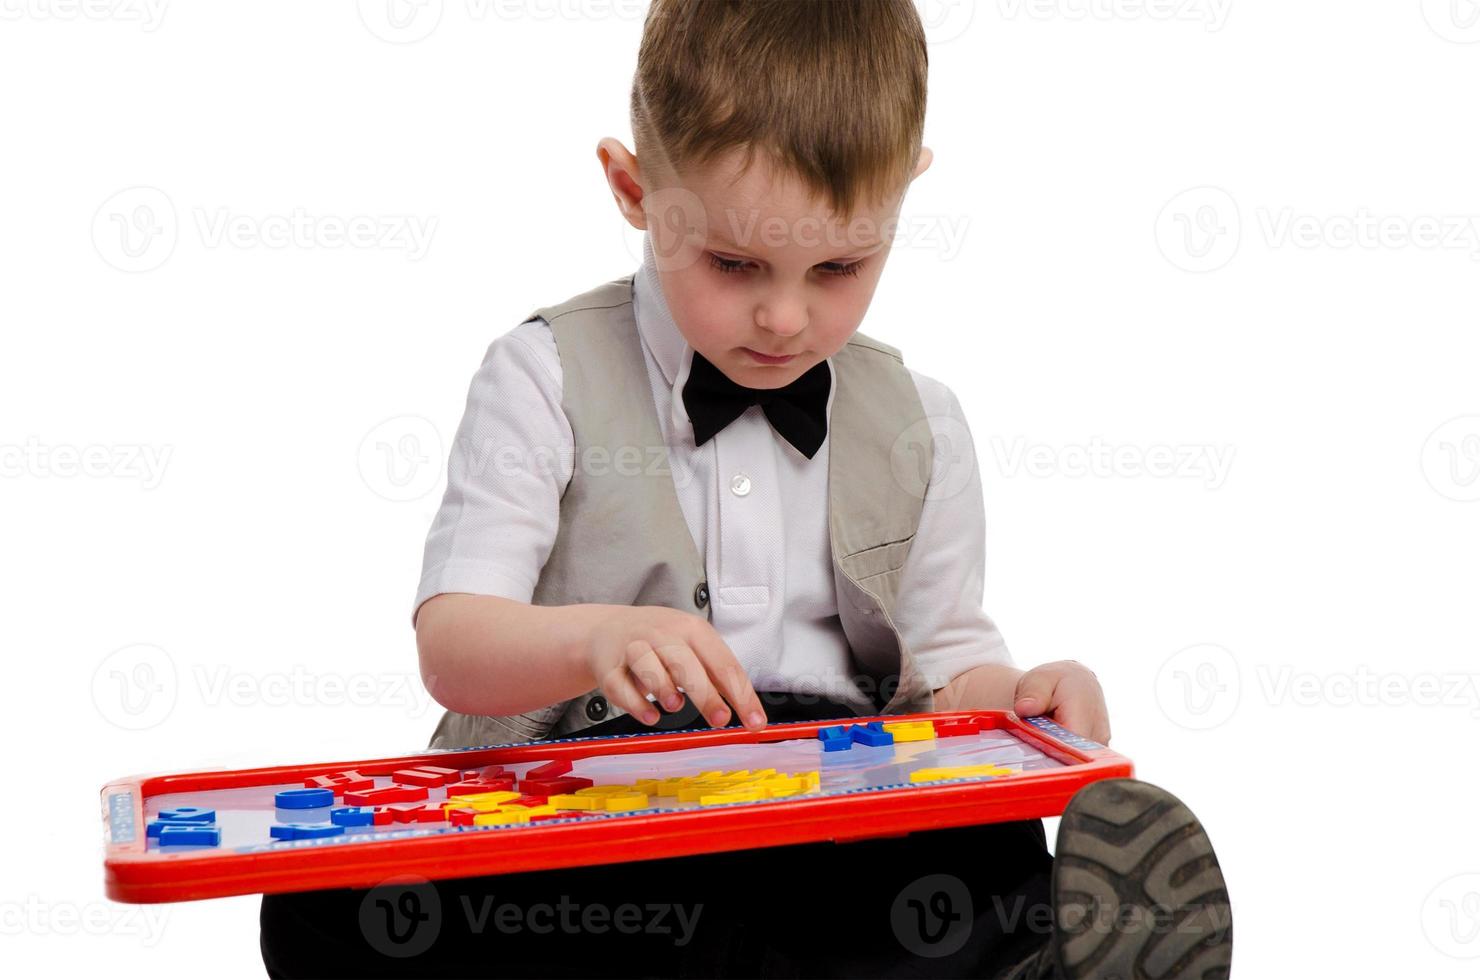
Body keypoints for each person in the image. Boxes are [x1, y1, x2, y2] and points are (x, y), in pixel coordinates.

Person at [260, 2, 1231, 976]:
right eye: (733, 263)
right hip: (594, 816)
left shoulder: (918, 420)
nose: (782, 316)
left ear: (901, 199)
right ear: (631, 187)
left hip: (837, 818)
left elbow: (939, 667)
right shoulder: (543, 375)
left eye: (839, 267)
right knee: (331, 900)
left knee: (987, 849)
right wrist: (594, 638)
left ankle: (1038, 947)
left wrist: (1019, 697)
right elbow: (454, 642)